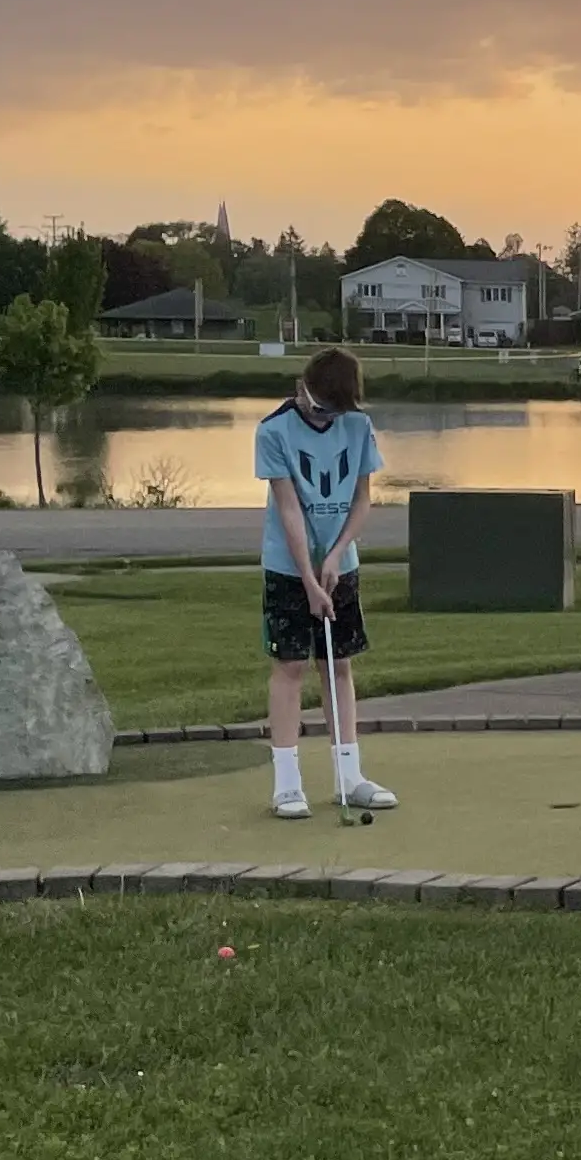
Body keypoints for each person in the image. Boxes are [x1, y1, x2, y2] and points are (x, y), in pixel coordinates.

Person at [254, 346, 394, 820]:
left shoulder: (358, 425)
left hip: (340, 564)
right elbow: (288, 508)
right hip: (287, 567)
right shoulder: (273, 431)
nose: (325, 418)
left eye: (333, 412)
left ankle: (349, 777)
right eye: (318, 408)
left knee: (338, 666)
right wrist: (309, 579)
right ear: (302, 389)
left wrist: (335, 556)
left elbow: (362, 499)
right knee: (290, 666)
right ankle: (287, 784)